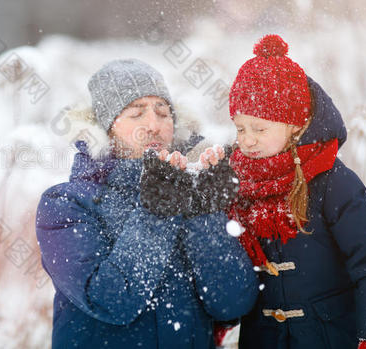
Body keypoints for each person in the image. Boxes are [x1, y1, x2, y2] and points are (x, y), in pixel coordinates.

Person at [36, 59, 258, 348]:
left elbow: (233, 305)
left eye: (163, 112)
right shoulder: (65, 204)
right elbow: (111, 301)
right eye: (136, 113)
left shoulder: (190, 194)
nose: (153, 125)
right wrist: (157, 211)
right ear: (105, 129)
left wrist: (205, 213)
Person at [195, 34, 366, 348]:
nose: (247, 140)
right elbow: (224, 260)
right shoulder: (237, 179)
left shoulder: (332, 181)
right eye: (240, 128)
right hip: (264, 337)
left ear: (295, 125)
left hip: (329, 336)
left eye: (259, 128)